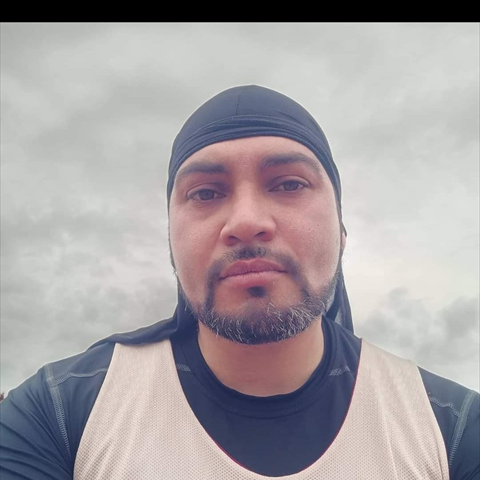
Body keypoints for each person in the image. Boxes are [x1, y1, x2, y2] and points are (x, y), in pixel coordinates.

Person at [0, 85, 478, 480]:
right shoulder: (56, 413)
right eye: (205, 192)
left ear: (342, 231)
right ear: (171, 240)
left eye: (289, 184)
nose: (246, 222)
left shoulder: (454, 429)